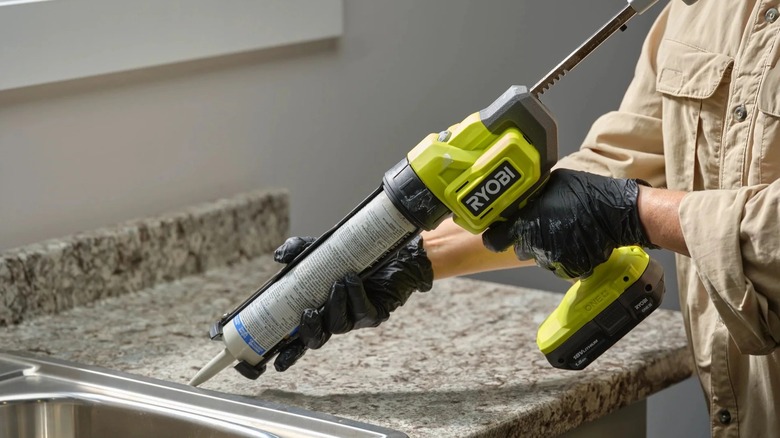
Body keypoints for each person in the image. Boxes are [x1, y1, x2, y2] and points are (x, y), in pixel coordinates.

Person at [274, 1, 780, 436]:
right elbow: (611, 168)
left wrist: (631, 212)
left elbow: (616, 202)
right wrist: (404, 260)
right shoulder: (700, 13)